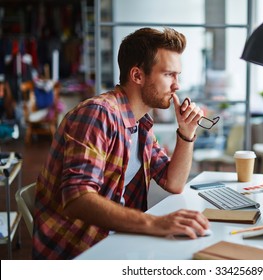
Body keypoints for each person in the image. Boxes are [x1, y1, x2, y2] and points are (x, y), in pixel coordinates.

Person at [32, 27, 209, 259]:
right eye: (168, 75)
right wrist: (154, 223)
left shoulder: (141, 123)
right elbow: (78, 197)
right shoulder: (97, 114)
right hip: (77, 250)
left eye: (178, 76)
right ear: (137, 75)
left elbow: (173, 182)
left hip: (116, 241)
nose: (177, 85)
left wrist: (187, 132)